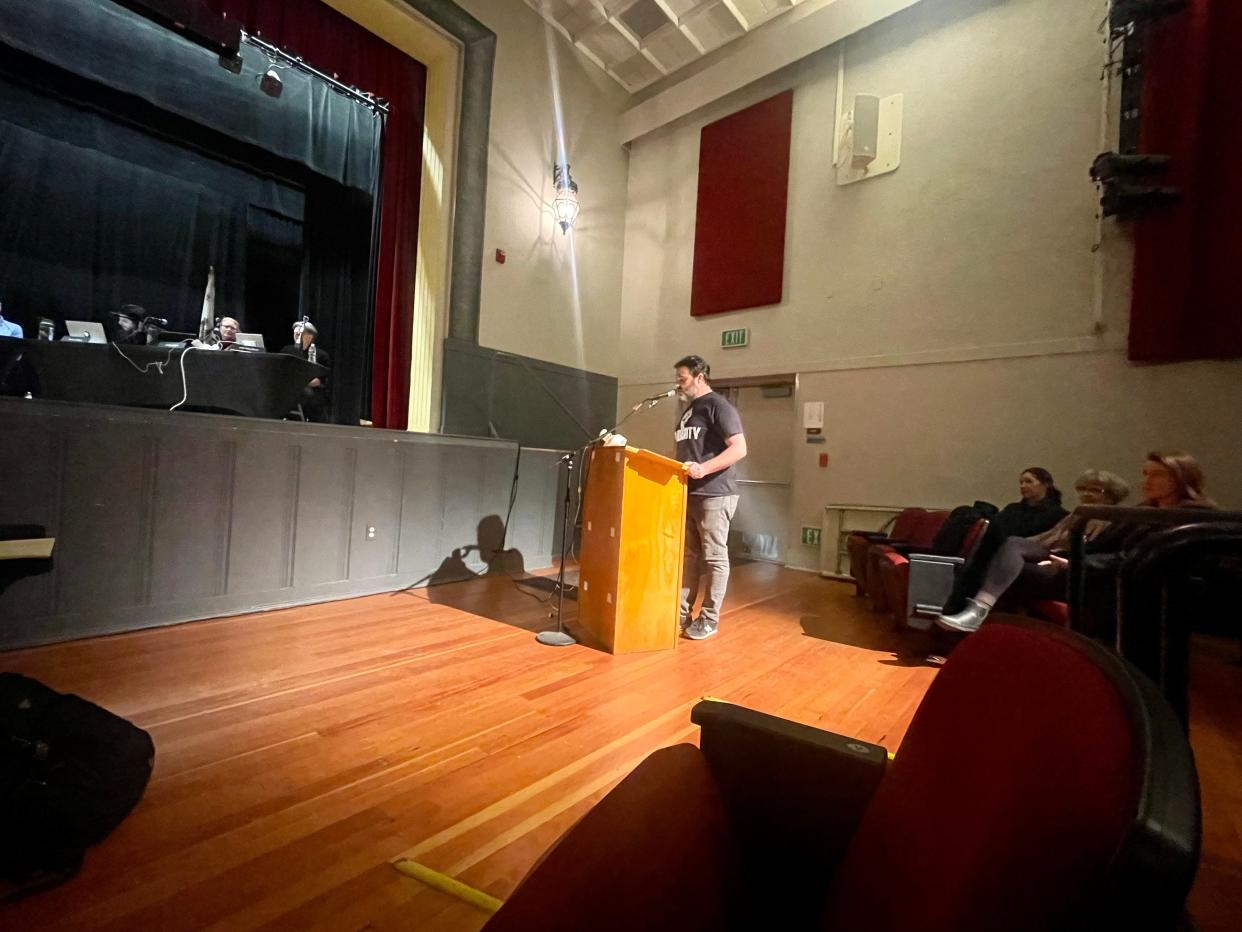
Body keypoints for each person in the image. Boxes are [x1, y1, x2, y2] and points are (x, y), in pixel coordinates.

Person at [936, 469, 1130, 632]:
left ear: (1111, 494)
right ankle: (978, 616)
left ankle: (982, 627)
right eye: (1084, 489)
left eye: (1096, 490)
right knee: (1009, 547)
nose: (1087, 494)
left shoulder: (1115, 520)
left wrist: (1066, 561)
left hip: (1075, 571)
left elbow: (1104, 556)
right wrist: (1009, 550)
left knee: (1003, 570)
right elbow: (1047, 539)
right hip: (1052, 557)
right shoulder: (1077, 514)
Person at [674, 354, 747, 641]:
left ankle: (709, 618)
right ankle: (680, 614)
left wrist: (703, 469)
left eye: (683, 379)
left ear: (700, 376)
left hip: (716, 494)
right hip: (690, 495)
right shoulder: (688, 411)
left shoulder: (718, 406)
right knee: (689, 557)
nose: (678, 386)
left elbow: (739, 448)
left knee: (715, 558)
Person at [938, 466, 1068, 617]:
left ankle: (967, 610)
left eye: (1029, 481)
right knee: (983, 553)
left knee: (990, 557)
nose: (1023, 486)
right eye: (1021, 482)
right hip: (999, 550)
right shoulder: (1013, 509)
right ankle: (959, 610)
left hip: (1027, 557)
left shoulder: (1059, 515)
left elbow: (1049, 543)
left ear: (1045, 484)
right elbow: (996, 530)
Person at [279, 319, 331, 422]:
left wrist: (298, 382)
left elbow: (319, 381)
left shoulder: (321, 355)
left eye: (300, 333)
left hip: (312, 390)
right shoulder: (287, 351)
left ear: (310, 336)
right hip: (289, 389)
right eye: (295, 333)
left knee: (310, 397)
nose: (296, 335)